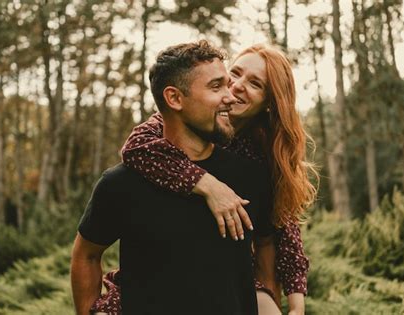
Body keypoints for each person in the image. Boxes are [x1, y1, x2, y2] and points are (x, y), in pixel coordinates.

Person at [93, 43, 317, 315]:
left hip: (227, 270)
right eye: (235, 73)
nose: (237, 86)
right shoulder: (179, 121)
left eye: (255, 84)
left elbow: (283, 228)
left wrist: (296, 304)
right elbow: (136, 148)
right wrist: (208, 184)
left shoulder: (264, 153)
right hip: (161, 270)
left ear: (270, 102)